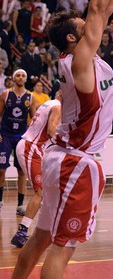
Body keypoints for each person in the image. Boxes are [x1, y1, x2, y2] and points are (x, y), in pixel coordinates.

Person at [5, 0, 113, 279]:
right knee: (62, 249)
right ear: (71, 38)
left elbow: (104, 9)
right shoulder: (78, 61)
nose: (92, 24)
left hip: (64, 158)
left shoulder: (86, 58)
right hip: (76, 163)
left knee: (43, 237)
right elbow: (97, 10)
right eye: (83, 28)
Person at [11, 95, 62, 248]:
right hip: (31, 149)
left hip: (33, 148)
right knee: (41, 192)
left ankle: (47, 229)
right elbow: (52, 130)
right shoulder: (58, 106)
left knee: (50, 190)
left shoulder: (49, 103)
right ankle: (22, 232)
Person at [0, 69, 36, 216]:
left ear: (25, 79)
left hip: (21, 137)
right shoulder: (5, 94)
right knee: (1, 169)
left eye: (23, 76)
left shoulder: (31, 97)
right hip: (6, 135)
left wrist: (31, 137)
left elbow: (33, 120)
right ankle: (0, 200)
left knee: (22, 171)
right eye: (18, 75)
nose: (20, 78)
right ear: (14, 79)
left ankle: (20, 204)